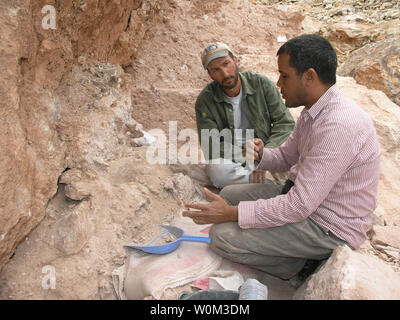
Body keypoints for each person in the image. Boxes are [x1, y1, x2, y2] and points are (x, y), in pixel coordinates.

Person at [183, 34, 381, 283]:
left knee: (221, 236)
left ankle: (303, 267)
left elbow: (298, 206)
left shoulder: (338, 125)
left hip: (328, 226)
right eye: (215, 69)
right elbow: (287, 155)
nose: (278, 83)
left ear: (309, 76)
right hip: (306, 202)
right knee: (229, 195)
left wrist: (232, 215)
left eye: (284, 75)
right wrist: (260, 155)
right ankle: (284, 243)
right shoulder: (313, 112)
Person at [195, 42, 295, 188]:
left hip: (266, 150)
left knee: (300, 154)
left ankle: (259, 180)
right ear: (210, 74)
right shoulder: (205, 101)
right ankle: (266, 183)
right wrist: (242, 152)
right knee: (217, 170)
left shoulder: (261, 83)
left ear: (235, 60)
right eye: (216, 70)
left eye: (226, 63)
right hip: (234, 158)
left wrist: (265, 152)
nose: (224, 73)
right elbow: (210, 146)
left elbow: (285, 123)